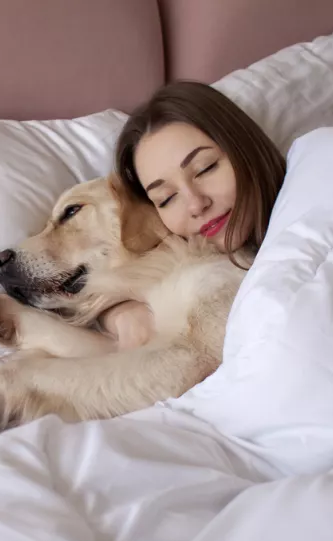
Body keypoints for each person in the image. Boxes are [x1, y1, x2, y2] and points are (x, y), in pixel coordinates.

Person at [98, 80, 287, 349]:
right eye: (167, 198)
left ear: (244, 146)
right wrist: (118, 314)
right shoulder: (190, 270)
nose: (196, 204)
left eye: (205, 168)